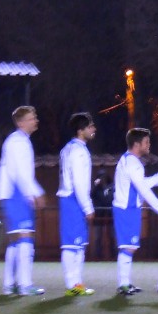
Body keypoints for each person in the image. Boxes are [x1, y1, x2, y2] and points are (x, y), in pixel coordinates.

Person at [0, 105, 47, 296]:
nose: (36, 120)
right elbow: (21, 173)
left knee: (16, 239)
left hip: (15, 193)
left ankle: (10, 284)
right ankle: (25, 285)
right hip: (16, 193)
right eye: (32, 118)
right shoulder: (18, 142)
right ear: (21, 122)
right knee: (25, 237)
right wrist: (35, 193)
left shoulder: (19, 140)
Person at [112, 128, 158, 295]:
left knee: (128, 247)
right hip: (127, 209)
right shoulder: (133, 163)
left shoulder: (129, 160)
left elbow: (141, 184)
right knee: (128, 247)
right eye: (146, 142)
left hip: (128, 209)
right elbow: (143, 190)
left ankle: (125, 283)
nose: (149, 145)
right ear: (137, 144)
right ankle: (123, 285)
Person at [57, 112, 97, 297]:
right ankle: (73, 284)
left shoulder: (68, 148)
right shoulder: (78, 151)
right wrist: (88, 207)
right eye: (90, 126)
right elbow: (79, 182)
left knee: (77, 245)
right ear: (81, 130)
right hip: (73, 199)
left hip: (70, 199)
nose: (94, 129)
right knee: (73, 245)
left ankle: (76, 284)